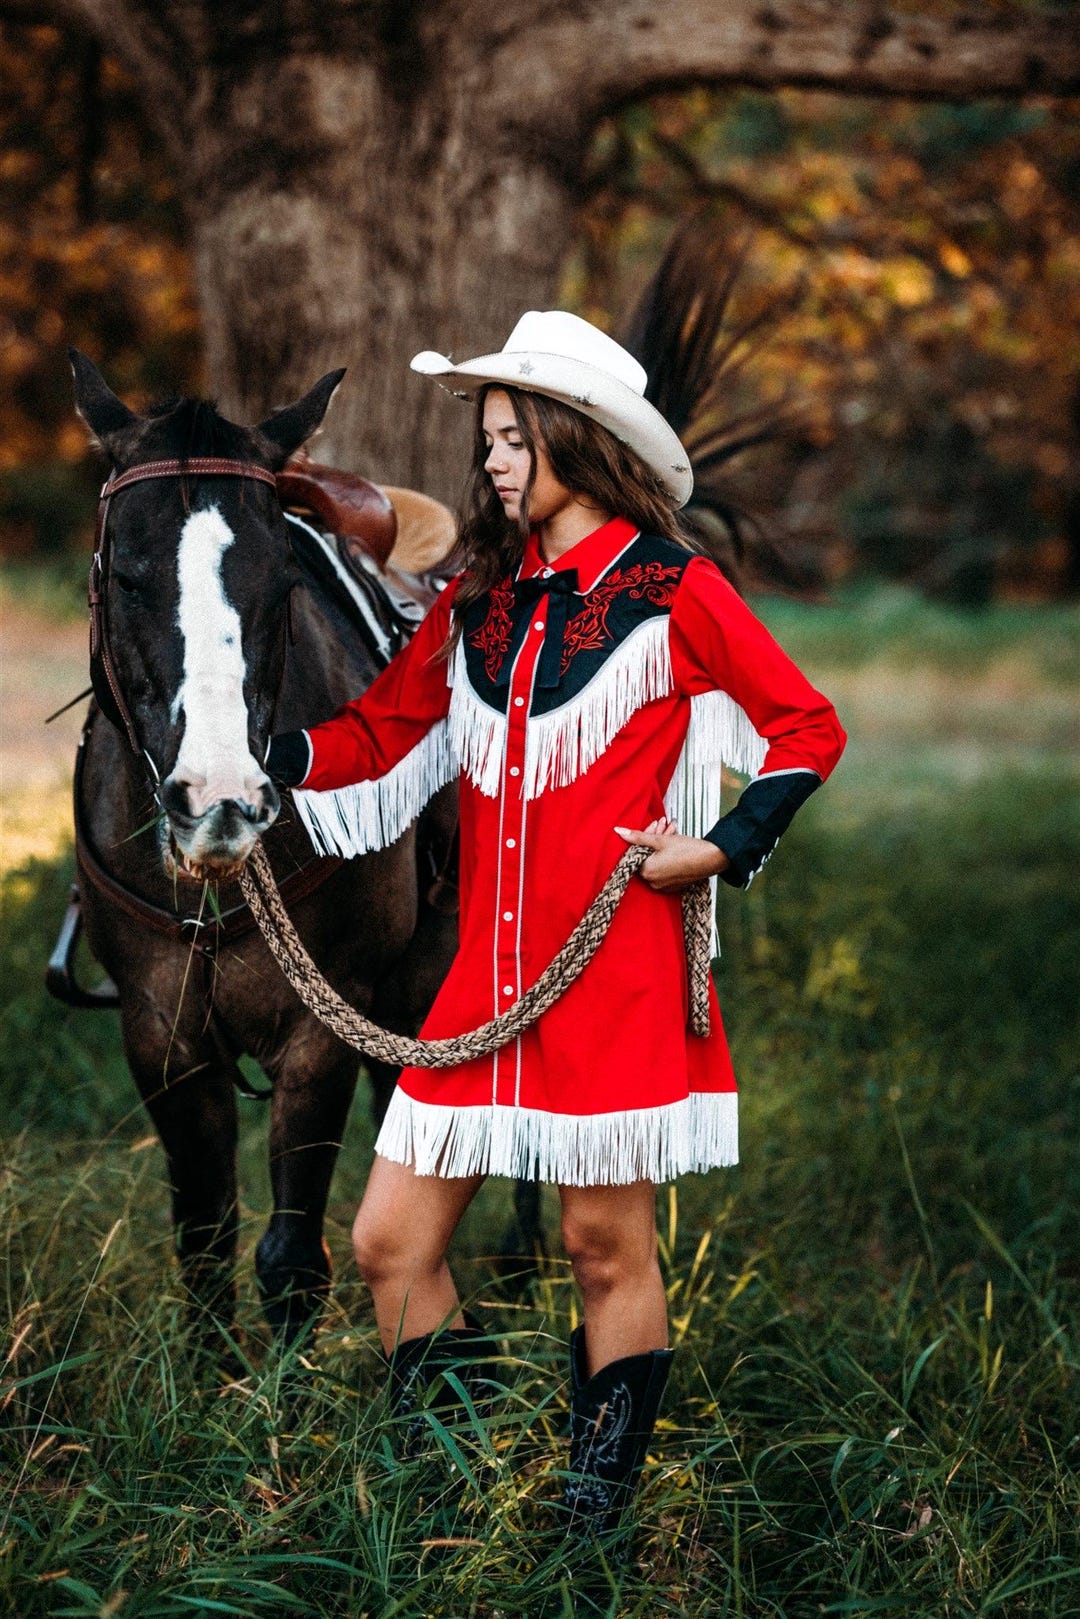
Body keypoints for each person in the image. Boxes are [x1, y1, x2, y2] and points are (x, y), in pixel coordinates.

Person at [267, 310, 846, 1533]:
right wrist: (256, 759)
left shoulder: (675, 588)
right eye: (487, 440)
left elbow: (806, 725)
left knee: (599, 1249)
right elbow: (381, 733)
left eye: (512, 438)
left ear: (575, 441)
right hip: (482, 987)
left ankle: (589, 1529)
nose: (491, 462)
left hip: (620, 975)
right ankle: (465, 1482)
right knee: (385, 1242)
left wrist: (723, 844)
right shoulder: (482, 598)